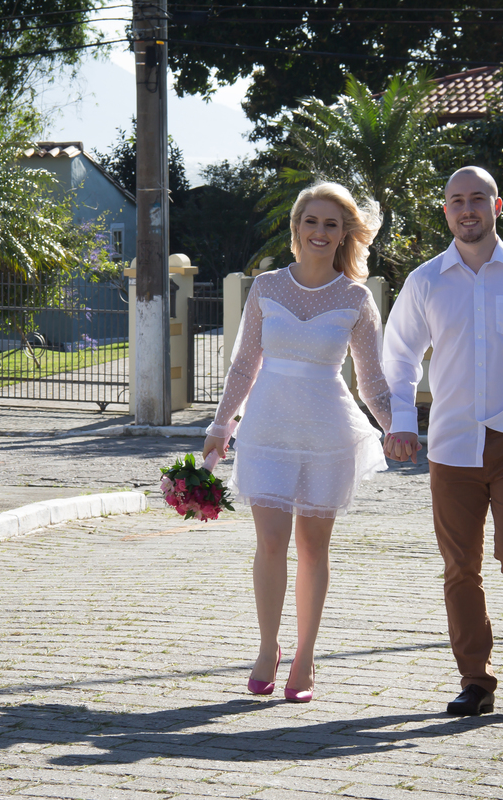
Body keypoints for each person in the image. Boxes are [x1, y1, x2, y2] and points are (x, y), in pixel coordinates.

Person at [382, 166, 503, 716]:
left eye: (477, 198)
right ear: (446, 211)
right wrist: (403, 420)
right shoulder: (426, 280)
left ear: (497, 206)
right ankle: (475, 680)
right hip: (451, 443)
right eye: (456, 200)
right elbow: (398, 354)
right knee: (459, 566)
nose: (466, 208)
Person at [202, 182, 391, 703]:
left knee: (312, 548)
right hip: (266, 430)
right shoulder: (266, 288)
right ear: (296, 228)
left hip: (327, 434)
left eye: (332, 224)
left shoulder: (357, 298)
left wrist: (397, 426)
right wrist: (221, 425)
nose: (320, 232)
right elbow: (244, 364)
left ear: (345, 234)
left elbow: (372, 381)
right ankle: (268, 647)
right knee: (270, 543)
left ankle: (305, 656)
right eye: (312, 221)